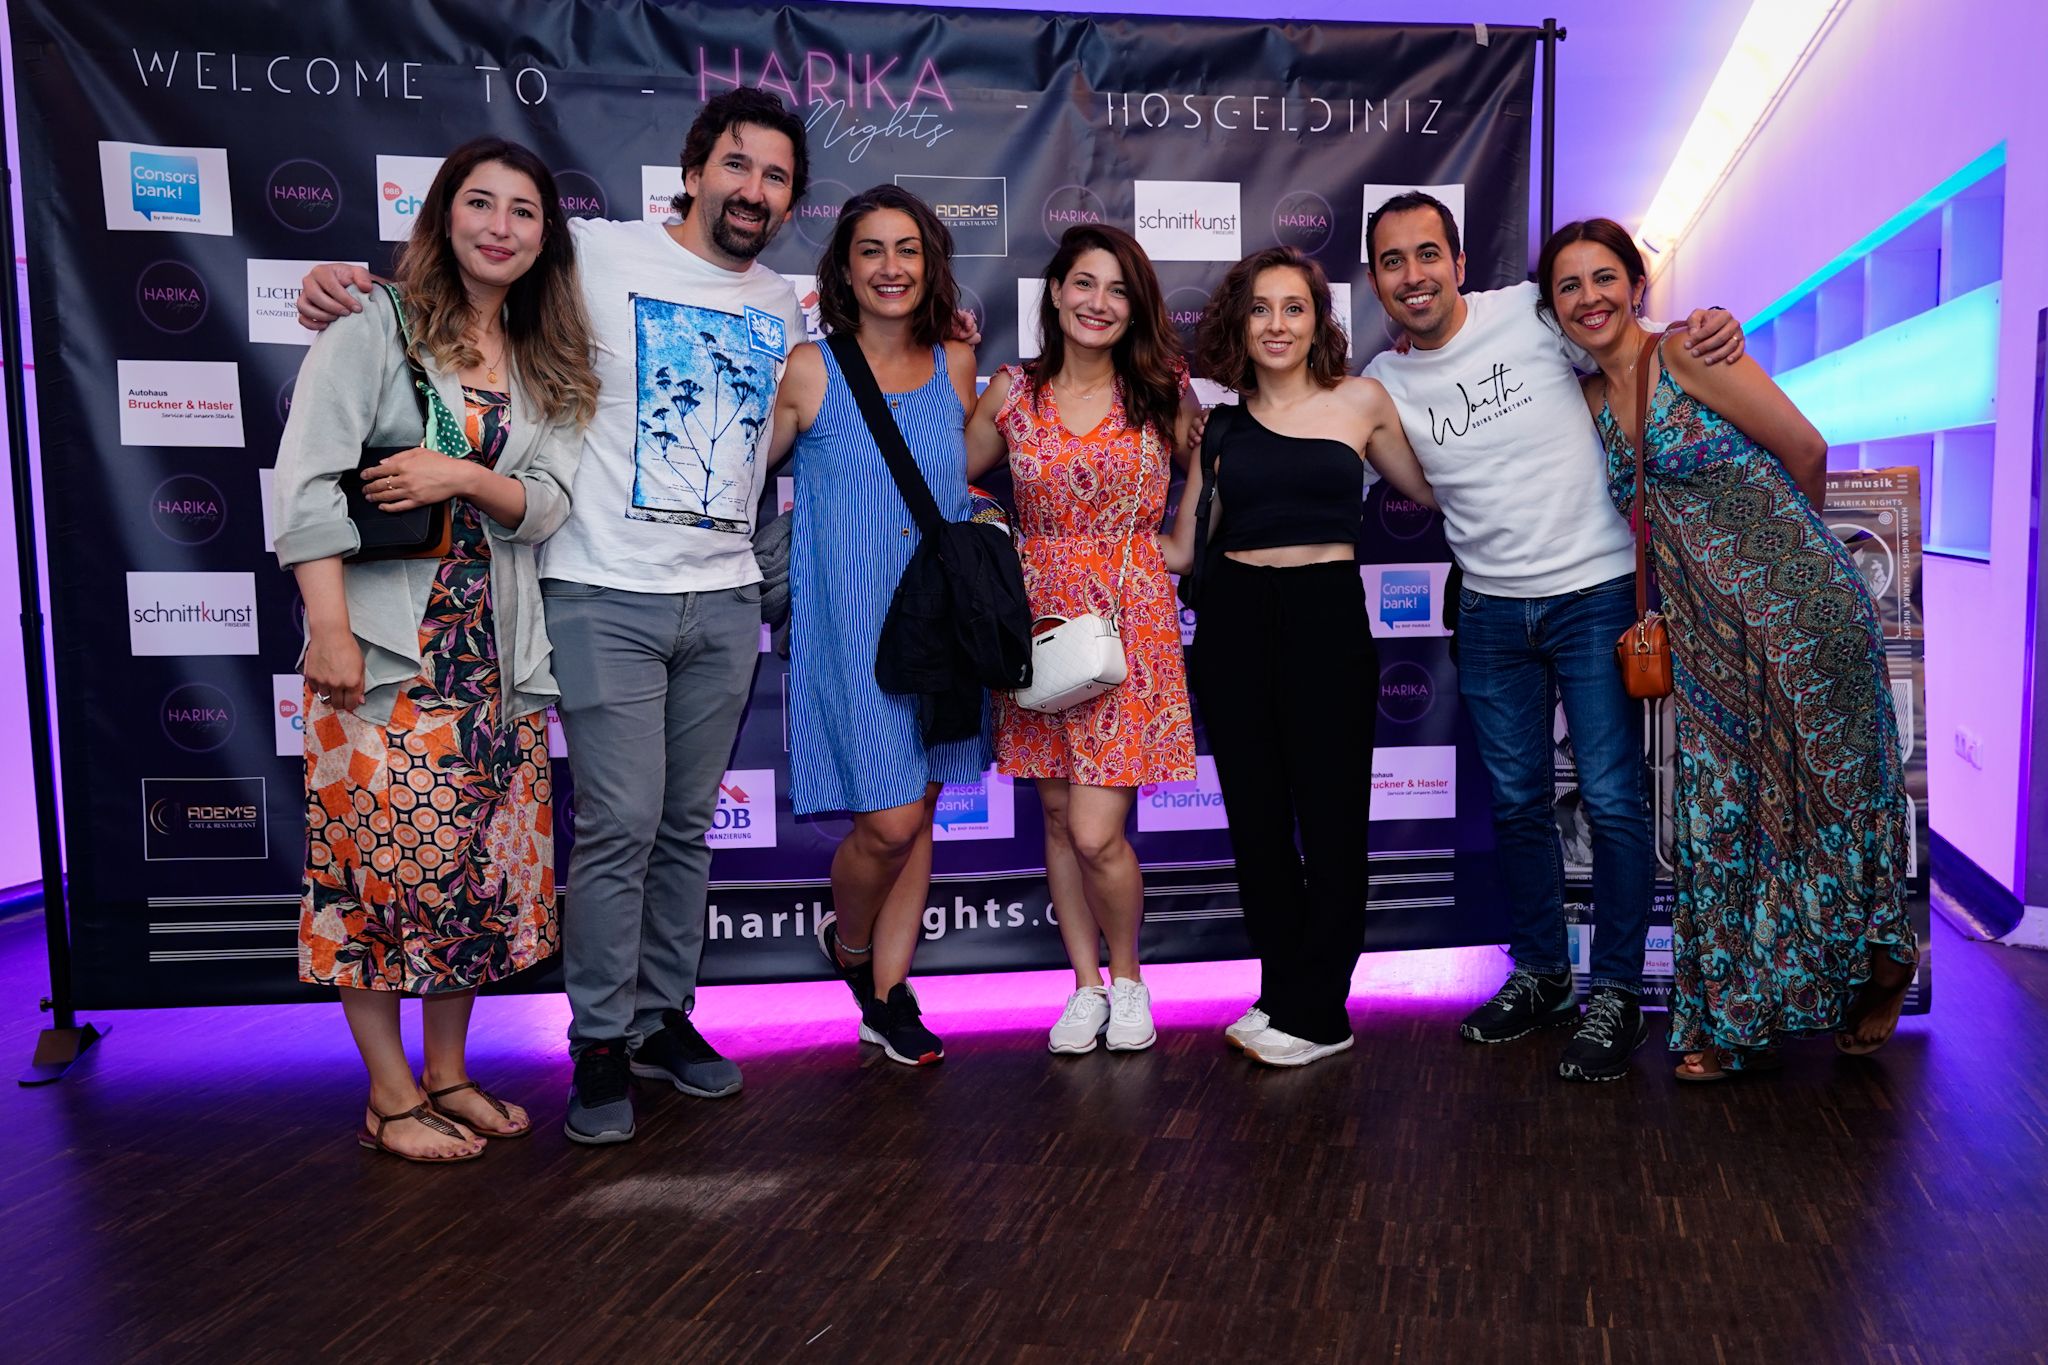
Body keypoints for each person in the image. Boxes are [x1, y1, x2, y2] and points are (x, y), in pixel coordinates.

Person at [299, 88, 809, 1143]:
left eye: (774, 176)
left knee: (682, 829)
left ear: (791, 200)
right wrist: (338, 285)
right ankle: (600, 1042)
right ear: (692, 173)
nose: (752, 189)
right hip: (597, 591)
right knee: (618, 825)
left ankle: (662, 1019)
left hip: (720, 598)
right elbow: (465, 275)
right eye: (735, 164)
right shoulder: (597, 252)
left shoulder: (782, 304)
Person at [1362, 190, 1746, 1082]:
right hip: (1490, 611)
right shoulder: (1383, 381)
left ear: (1460, 263)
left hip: (1596, 594)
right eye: (1392, 261)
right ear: (1376, 281)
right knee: (1518, 803)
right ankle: (1541, 972)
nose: (1413, 275)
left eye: (1428, 254)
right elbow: (1399, 473)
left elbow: (1625, 342)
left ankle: (1616, 990)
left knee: (1611, 800)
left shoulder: (1529, 313)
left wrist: (1705, 325)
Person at [272, 137, 596, 1161]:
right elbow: (307, 483)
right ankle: (389, 1094)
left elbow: (547, 505)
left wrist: (460, 477)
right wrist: (330, 631)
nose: (500, 226)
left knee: (469, 878)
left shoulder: (545, 359)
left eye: (523, 211)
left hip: (498, 661)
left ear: (545, 237)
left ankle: (448, 1074)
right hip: (384, 656)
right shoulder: (374, 323)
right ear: (445, 215)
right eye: (480, 203)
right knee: (372, 877)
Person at [1538, 217, 1916, 1078]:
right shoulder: (1589, 401)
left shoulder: (1687, 352)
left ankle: (1883, 958)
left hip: (1801, 611)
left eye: (1605, 277)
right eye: (1568, 285)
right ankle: (1733, 1015)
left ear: (1636, 284)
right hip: (1707, 638)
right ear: (1553, 308)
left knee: (1831, 795)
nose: (1590, 297)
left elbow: (1806, 450)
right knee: (1723, 816)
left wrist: (1775, 571)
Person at [1162, 246, 1433, 1067]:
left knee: (1332, 821)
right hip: (1234, 624)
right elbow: (1184, 549)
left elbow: (1435, 488)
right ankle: (1281, 990)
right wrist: (1072, 545)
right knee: (1258, 827)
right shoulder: (1218, 427)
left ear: (1319, 323)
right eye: (1260, 308)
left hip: (1326, 617)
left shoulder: (1362, 401)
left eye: (1294, 307)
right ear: (1238, 324)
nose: (1276, 324)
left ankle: (1322, 1010)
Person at [965, 224, 1199, 1055]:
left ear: (1136, 308)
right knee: (1061, 821)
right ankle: (1084, 987)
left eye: (1119, 290)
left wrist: (1180, 544)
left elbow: (1212, 463)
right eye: (1085, 283)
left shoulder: (1161, 389)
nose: (1099, 302)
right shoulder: (1012, 391)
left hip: (1129, 625)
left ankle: (1129, 978)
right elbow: (951, 478)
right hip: (1038, 627)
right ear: (1057, 292)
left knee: (1098, 830)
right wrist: (997, 535)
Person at [766, 185, 984, 1066]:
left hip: (941, 625)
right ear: (844, 270)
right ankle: (850, 947)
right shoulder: (809, 368)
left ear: (930, 264)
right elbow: (735, 474)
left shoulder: (957, 364)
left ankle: (889, 997)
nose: (891, 268)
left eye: (908, 249)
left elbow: (968, 474)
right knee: (888, 824)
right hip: (852, 627)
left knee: (921, 807)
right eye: (871, 250)